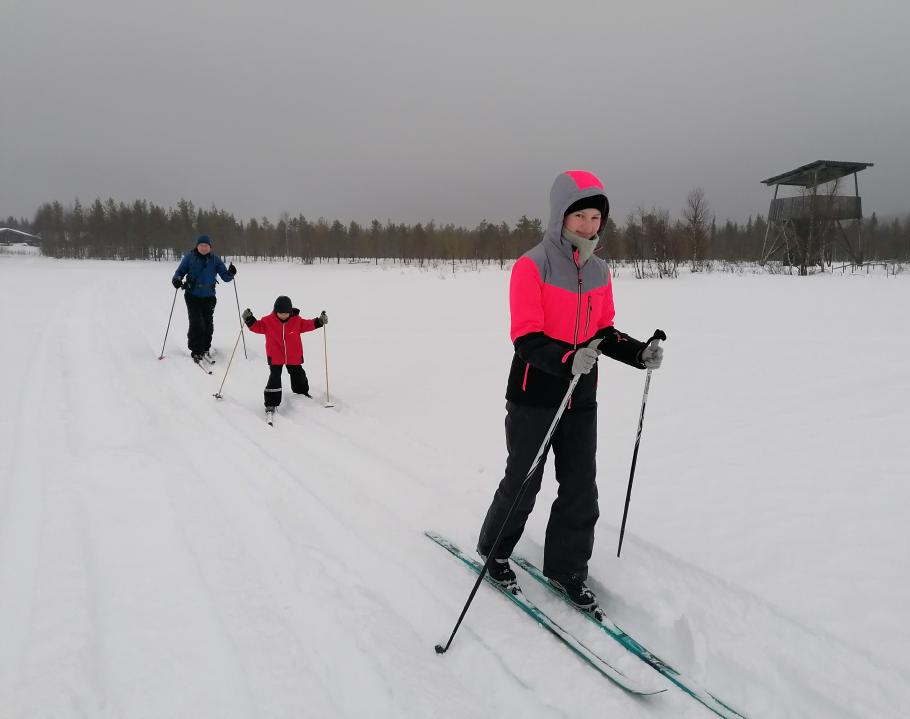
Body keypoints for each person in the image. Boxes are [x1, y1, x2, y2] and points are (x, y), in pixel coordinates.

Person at [476, 169, 664, 610]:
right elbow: (525, 338)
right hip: (533, 395)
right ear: (559, 216)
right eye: (578, 215)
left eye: (595, 217)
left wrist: (640, 354)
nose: (587, 225)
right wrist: (565, 359)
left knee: (581, 487)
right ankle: (494, 550)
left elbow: (603, 332)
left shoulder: (600, 270)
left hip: (581, 397)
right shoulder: (532, 265)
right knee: (524, 481)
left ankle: (566, 569)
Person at [242, 296, 327, 414]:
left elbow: (308, 324)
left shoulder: (296, 321)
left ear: (290, 312)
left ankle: (302, 392)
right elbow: (257, 327)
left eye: (286, 313)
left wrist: (319, 321)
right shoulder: (268, 321)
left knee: (298, 374)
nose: (283, 315)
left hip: (293, 355)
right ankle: (271, 403)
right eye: (280, 313)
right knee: (275, 377)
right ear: (275, 311)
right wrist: (249, 320)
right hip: (275, 355)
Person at [171, 235, 236, 363]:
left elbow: (226, 277)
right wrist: (176, 280)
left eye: (206, 246)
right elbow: (179, 272)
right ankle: (196, 350)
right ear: (197, 246)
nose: (204, 248)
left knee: (207, 324)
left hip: (209, 296)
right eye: (201, 245)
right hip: (192, 295)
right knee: (196, 322)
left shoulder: (215, 260)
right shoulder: (189, 258)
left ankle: (205, 347)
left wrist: (231, 273)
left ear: (210, 247)